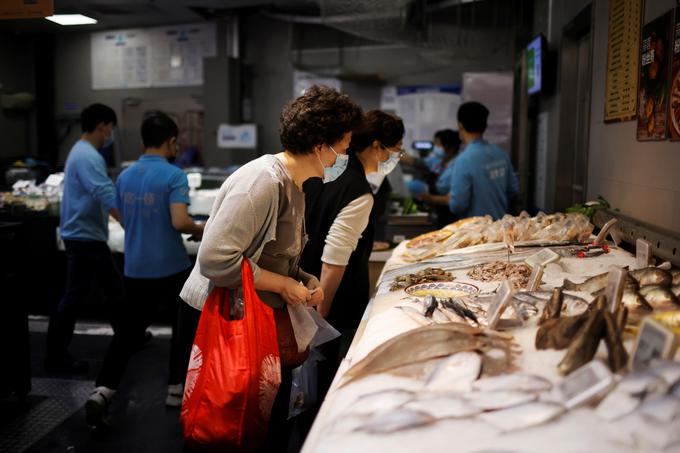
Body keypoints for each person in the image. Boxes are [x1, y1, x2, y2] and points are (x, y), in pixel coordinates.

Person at [179, 85, 362, 449]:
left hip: (264, 327)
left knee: (266, 426)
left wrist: (304, 278)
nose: (344, 155)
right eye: (342, 147)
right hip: (237, 325)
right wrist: (282, 285)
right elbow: (216, 260)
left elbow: (275, 254)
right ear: (319, 145)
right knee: (234, 428)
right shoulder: (263, 181)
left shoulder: (296, 185)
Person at [85, 112, 205, 429]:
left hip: (135, 268)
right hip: (172, 268)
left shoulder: (125, 177)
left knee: (126, 335)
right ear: (171, 141)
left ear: (142, 141)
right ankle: (176, 390)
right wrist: (202, 229)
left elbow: (123, 219)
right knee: (183, 330)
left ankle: (103, 390)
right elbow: (179, 222)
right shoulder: (173, 175)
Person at [299, 110, 404, 432]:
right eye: (395, 148)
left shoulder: (325, 173)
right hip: (332, 302)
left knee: (304, 383)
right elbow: (335, 260)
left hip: (302, 285)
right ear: (376, 146)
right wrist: (320, 320)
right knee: (326, 388)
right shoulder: (358, 190)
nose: (396, 156)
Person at [45, 103, 123, 374]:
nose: (110, 133)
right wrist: (129, 222)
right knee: (76, 295)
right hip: (84, 236)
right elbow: (104, 191)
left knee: (112, 289)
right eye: (110, 127)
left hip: (85, 233)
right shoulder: (88, 156)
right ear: (102, 126)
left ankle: (128, 336)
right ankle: (55, 354)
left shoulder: (80, 152)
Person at [422, 102, 518, 220]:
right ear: (485, 125)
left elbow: (458, 205)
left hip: (476, 232)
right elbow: (513, 190)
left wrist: (449, 199)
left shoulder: (463, 160)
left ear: (460, 126)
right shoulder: (501, 154)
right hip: (501, 228)